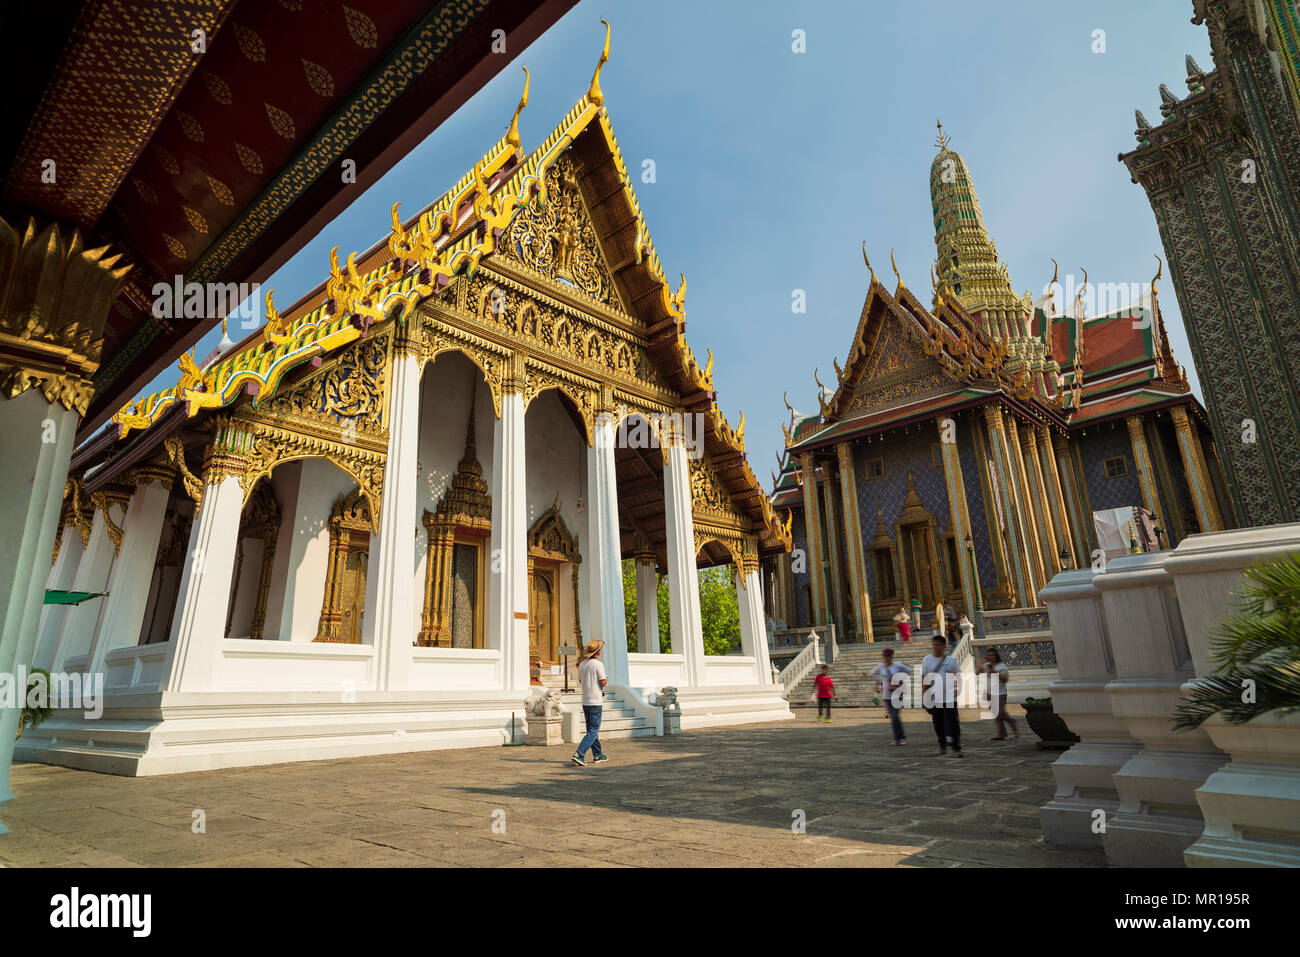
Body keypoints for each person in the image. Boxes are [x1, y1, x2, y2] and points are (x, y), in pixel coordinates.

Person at [922, 635, 963, 757]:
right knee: (938, 723)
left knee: (953, 722)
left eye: (938, 645)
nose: (935, 647)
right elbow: (923, 677)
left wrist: (958, 689)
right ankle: (942, 744)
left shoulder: (950, 660)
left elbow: (958, 675)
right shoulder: (927, 659)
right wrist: (924, 693)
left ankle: (956, 747)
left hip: (950, 696)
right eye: (934, 644)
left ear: (944, 646)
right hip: (935, 697)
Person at [571, 640, 609, 766]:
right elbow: (602, 682)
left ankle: (597, 754)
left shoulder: (582, 664)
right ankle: (579, 753)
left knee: (591, 729)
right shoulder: (598, 664)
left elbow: (581, 681)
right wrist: (606, 679)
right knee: (593, 730)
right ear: (597, 652)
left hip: (586, 700)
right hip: (595, 700)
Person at [870, 647, 912, 745]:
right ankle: (897, 739)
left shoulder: (897, 666)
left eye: (888, 657)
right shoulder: (880, 667)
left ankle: (901, 738)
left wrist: (900, 680)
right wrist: (883, 679)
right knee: (894, 717)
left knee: (895, 716)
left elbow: (909, 671)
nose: (886, 658)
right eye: (884, 656)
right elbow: (873, 673)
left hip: (897, 694)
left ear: (891, 657)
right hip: (887, 695)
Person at [983, 648, 1019, 740]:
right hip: (989, 692)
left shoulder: (1002, 666)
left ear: (996, 656)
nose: (990, 657)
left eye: (992, 655)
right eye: (989, 655)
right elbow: (976, 672)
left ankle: (1012, 723)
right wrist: (982, 662)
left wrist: (995, 673)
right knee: (995, 714)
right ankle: (1001, 733)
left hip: (1000, 693)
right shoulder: (987, 665)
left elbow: (1005, 679)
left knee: (999, 712)